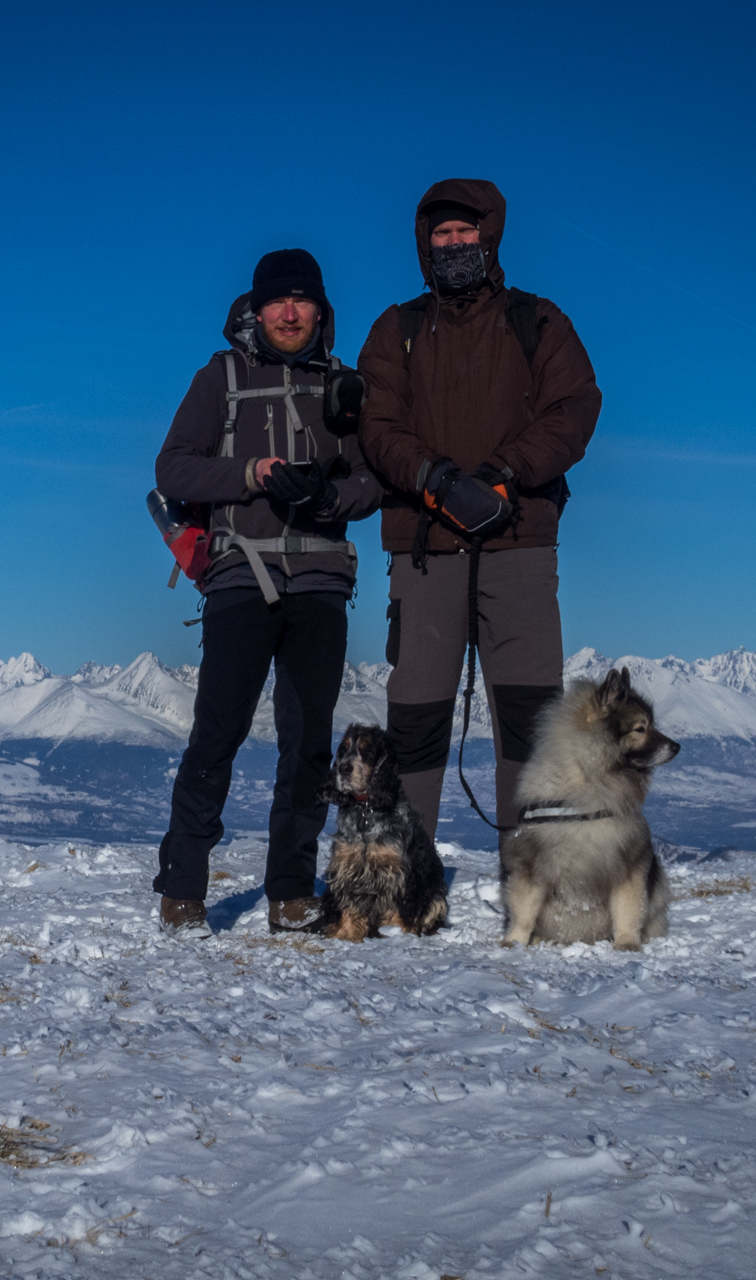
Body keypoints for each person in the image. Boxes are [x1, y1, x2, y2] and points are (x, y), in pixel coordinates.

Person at [355, 180, 602, 843]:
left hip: (517, 541)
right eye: (442, 234)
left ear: (490, 237)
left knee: (531, 713)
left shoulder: (538, 321)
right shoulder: (396, 330)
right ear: (423, 243)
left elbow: (574, 411)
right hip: (424, 546)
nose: (455, 243)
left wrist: (504, 475)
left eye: (467, 232)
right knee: (415, 712)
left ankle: (541, 872)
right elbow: (374, 425)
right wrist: (433, 480)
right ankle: (400, 867)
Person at [151, 249, 383, 935]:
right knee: (216, 734)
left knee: (309, 742)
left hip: (319, 577)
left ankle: (290, 891)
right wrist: (252, 473)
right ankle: (183, 887)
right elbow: (173, 468)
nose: (288, 313)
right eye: (276, 302)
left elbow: (372, 482)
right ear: (254, 310)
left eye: (301, 301)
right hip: (239, 574)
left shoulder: (344, 385)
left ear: (320, 311)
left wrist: (327, 493)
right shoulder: (220, 377)